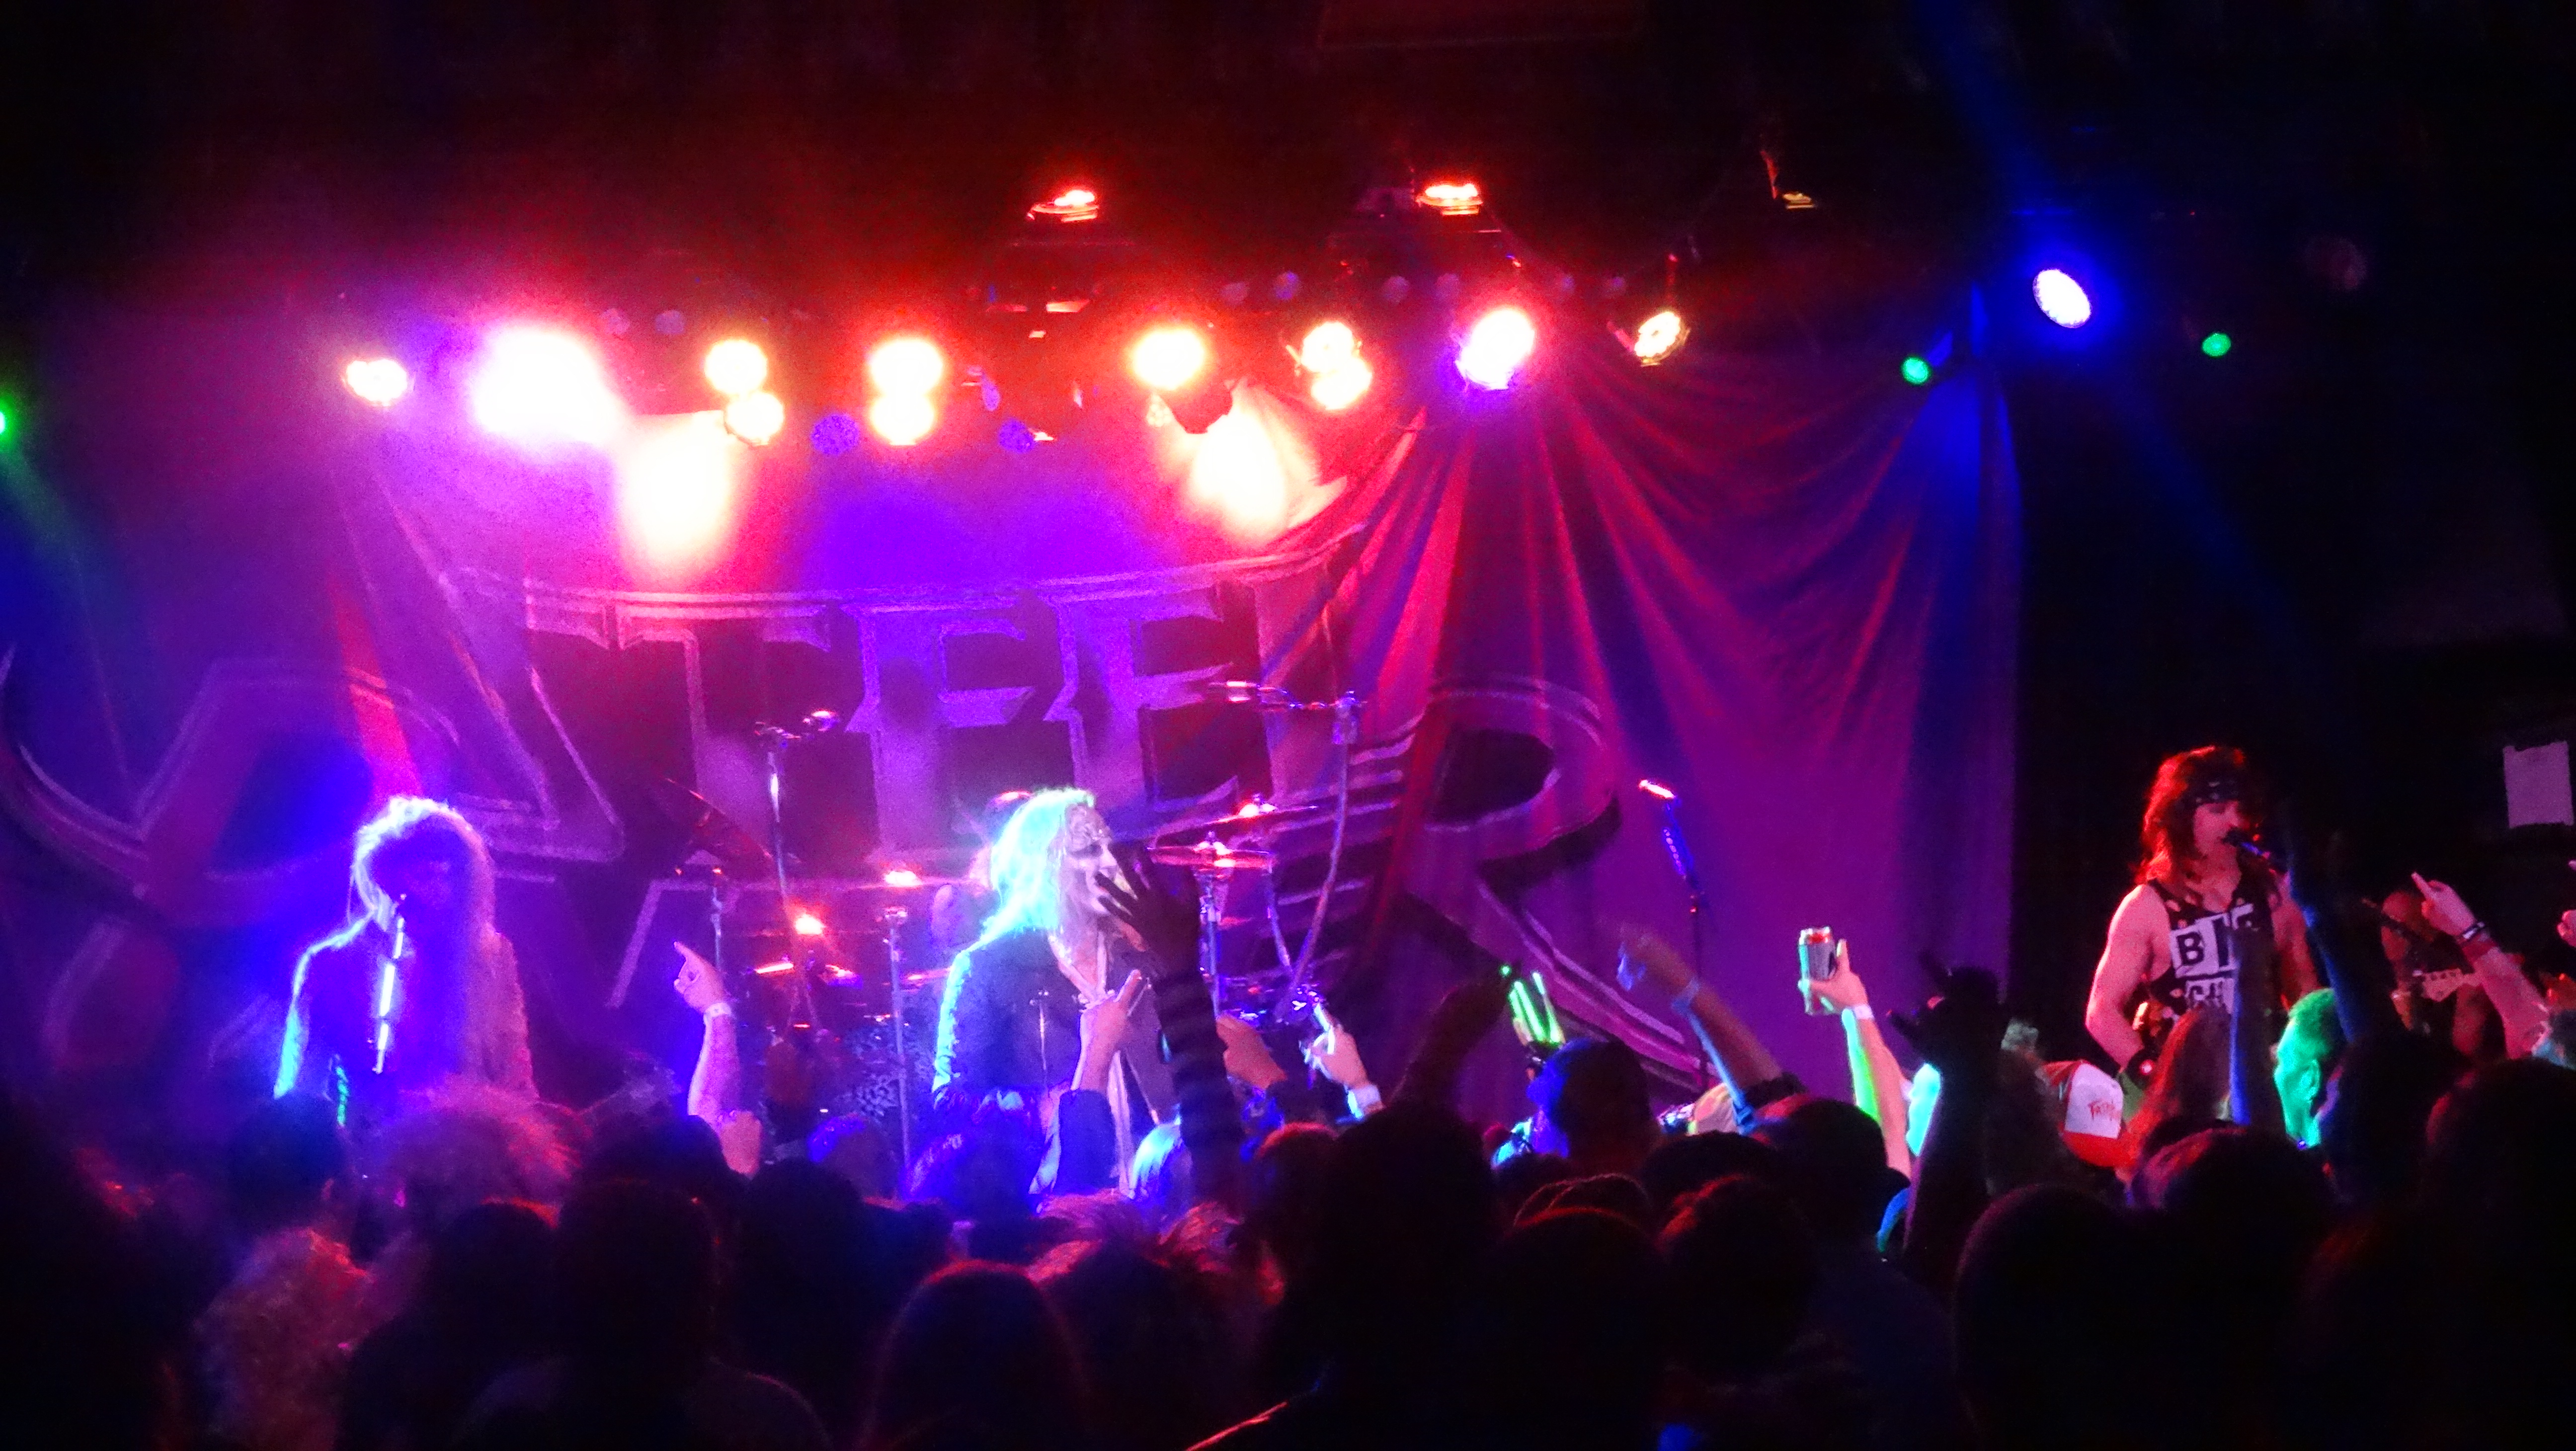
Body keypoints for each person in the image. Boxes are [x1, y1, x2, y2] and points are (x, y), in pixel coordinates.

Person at [928, 789, 1175, 1194]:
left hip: (1155, 1194)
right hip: (1058, 1197)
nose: (1110, 862)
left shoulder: (1138, 955)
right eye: (1089, 850)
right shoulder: (987, 967)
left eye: (1108, 847)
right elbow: (950, 1099)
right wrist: (1033, 1106)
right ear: (1045, 863)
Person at [275, 797, 536, 1133]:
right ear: (385, 879)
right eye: (424, 876)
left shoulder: (491, 957)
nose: (435, 892)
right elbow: (300, 1092)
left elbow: (515, 1071)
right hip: (370, 1149)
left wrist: (530, 1137)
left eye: (447, 877)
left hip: (472, 1153)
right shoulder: (332, 964)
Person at [2084, 747, 2320, 1080]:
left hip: (2263, 1083)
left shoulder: (2275, 896)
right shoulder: (2146, 907)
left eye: (2240, 810)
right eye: (2217, 810)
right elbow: (2102, 1011)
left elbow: (2306, 999)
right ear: (2181, 820)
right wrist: (2154, 1075)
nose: (2235, 823)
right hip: (2184, 1087)